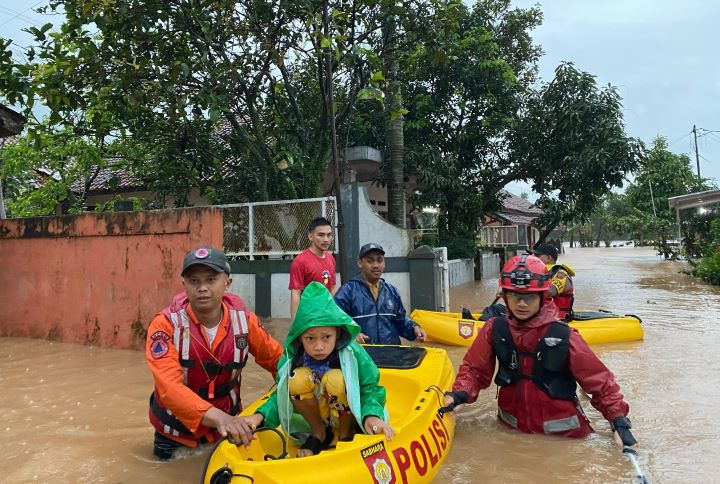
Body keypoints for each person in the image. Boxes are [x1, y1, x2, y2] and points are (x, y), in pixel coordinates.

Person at [442, 255, 638, 447]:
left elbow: (600, 383)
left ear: (543, 297)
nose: (521, 304)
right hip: (511, 434)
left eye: (529, 297)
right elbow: (474, 371)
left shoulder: (565, 336)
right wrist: (459, 393)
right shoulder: (494, 329)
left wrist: (618, 421)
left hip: (566, 440)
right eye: (514, 296)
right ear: (504, 296)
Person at [145, 246, 283, 459]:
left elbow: (282, 365)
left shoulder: (245, 322)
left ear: (227, 282)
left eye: (210, 280)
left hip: (227, 431)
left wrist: (266, 413)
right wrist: (222, 419)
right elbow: (169, 388)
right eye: (194, 281)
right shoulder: (164, 326)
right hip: (174, 435)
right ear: (183, 285)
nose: (202, 288)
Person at [241, 282, 394, 457]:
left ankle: (345, 434)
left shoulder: (353, 352)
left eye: (326, 337)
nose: (319, 347)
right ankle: (319, 433)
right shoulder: (293, 357)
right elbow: (281, 395)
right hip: (318, 414)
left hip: (347, 415)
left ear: (337, 332)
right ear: (300, 337)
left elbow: (371, 389)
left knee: (336, 379)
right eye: (310, 339)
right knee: (295, 379)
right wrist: (259, 417)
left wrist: (371, 416)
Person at [334, 243, 426, 344]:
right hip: (362, 355)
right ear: (360, 263)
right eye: (370, 261)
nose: (376, 265)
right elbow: (336, 321)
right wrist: (351, 334)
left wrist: (414, 328)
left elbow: (400, 320)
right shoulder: (347, 292)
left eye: (380, 260)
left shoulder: (391, 291)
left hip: (391, 353)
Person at [289, 217, 337, 320]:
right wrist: (294, 324)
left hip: (327, 315)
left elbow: (332, 287)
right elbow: (296, 293)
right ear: (310, 236)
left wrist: (335, 313)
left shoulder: (331, 258)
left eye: (329, 235)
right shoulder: (300, 261)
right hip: (308, 318)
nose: (326, 239)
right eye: (321, 235)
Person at [534, 243, 575, 320]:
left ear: (548, 258)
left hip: (559, 319)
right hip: (544, 317)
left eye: (537, 256)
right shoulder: (540, 272)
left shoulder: (561, 273)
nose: (534, 258)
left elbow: (550, 292)